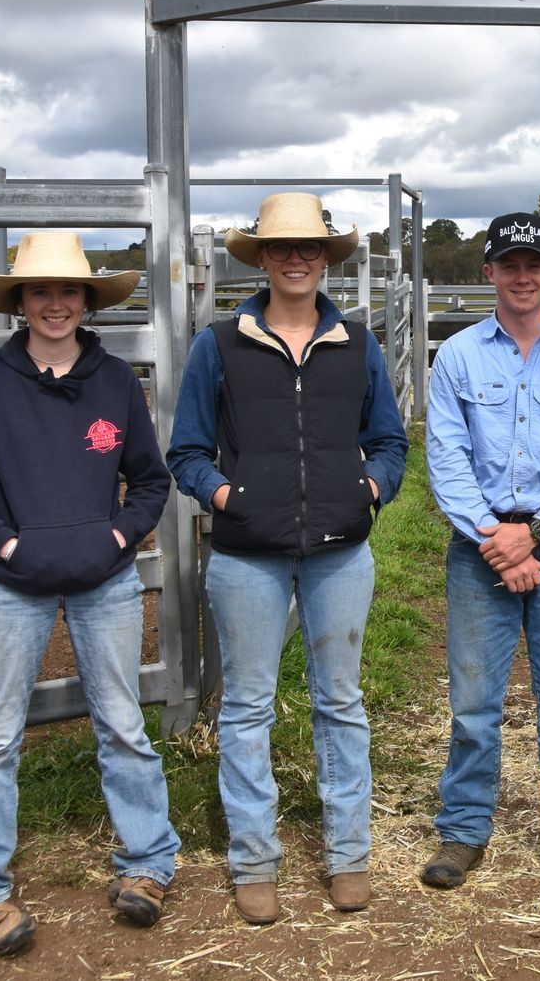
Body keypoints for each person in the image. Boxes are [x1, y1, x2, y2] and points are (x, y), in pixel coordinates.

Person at [0, 232, 178, 956]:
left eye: (69, 291)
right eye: (40, 291)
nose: (56, 303)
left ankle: (147, 861)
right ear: (19, 302)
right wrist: (9, 544)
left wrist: (115, 538)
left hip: (105, 582)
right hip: (12, 586)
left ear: (87, 300)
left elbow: (151, 479)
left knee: (123, 722)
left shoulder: (115, 383)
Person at [166, 192, 408, 922]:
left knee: (341, 702)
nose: (296, 258)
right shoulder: (220, 343)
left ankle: (348, 855)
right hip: (247, 557)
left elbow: (392, 441)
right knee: (245, 706)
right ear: (261, 258)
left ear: (325, 259)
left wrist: (368, 487)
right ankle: (253, 860)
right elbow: (185, 451)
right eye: (281, 248)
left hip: (339, 551)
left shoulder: (358, 344)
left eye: (309, 248)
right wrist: (225, 498)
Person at [421, 213, 540, 889]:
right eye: (510, 264)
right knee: (475, 700)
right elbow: (445, 460)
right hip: (479, 546)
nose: (522, 275)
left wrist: (530, 535)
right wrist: (496, 540)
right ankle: (463, 828)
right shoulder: (457, 355)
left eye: (534, 263)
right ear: (489, 272)